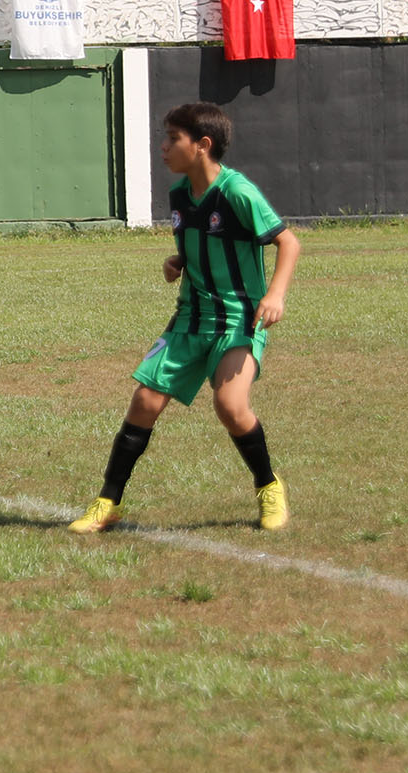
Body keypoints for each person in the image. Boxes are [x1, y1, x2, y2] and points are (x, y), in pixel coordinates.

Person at [71, 101, 300, 534]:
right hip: (190, 317)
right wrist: (179, 260)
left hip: (237, 320)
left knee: (231, 407)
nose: (163, 147)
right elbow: (204, 242)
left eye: (173, 138)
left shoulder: (238, 192)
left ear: (202, 145)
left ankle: (268, 486)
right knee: (144, 403)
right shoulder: (180, 196)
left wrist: (276, 295)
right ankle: (107, 503)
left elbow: (288, 243)